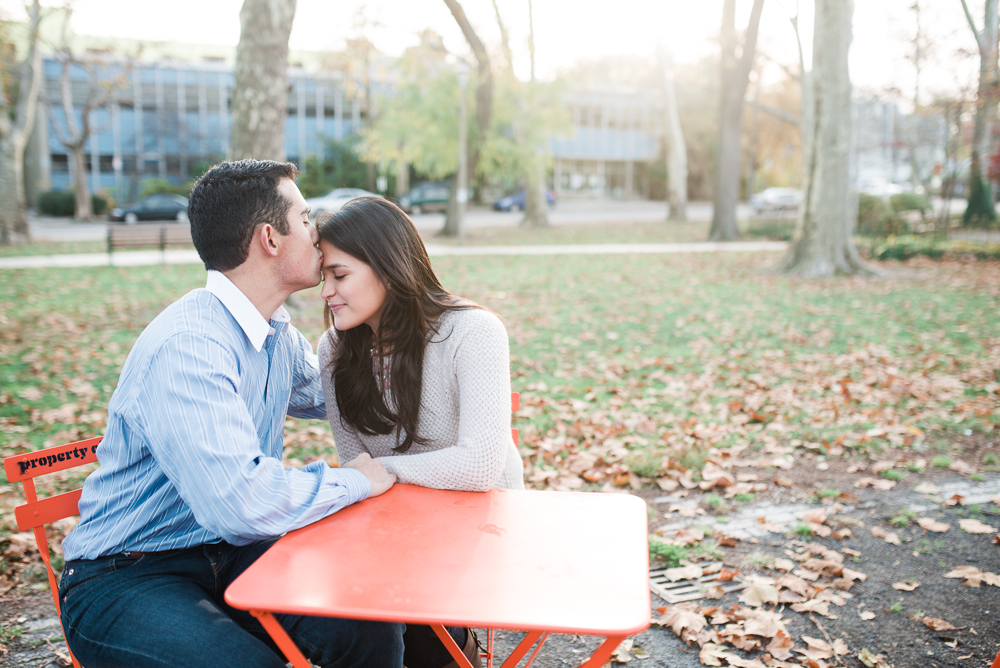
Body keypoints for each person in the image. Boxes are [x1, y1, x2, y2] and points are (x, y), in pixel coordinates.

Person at [58, 160, 402, 668]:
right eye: (306, 218)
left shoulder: (272, 333)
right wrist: (352, 481)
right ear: (270, 238)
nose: (318, 232)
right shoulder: (189, 347)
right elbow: (243, 504)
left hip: (232, 554)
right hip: (127, 575)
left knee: (366, 623)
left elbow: (342, 395)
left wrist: (397, 321)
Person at [316, 197, 524, 668]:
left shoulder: (473, 332)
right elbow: (355, 467)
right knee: (356, 611)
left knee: (415, 619)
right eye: (323, 277)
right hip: (398, 529)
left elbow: (480, 465)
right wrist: (371, 481)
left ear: (387, 268)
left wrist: (384, 468)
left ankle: (458, 650)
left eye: (340, 275)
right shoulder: (333, 351)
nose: (326, 292)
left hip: (484, 522)